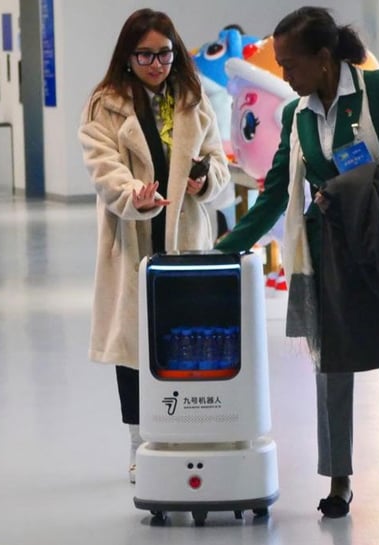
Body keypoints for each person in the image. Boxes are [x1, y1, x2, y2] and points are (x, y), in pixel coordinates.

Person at [215, 7, 379, 517]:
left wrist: (360, 191)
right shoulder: (297, 116)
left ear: (323, 58)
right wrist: (226, 247)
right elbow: (273, 195)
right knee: (331, 367)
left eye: (290, 65)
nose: (285, 76)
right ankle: (338, 480)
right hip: (328, 254)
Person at [78, 8, 230, 484]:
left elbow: (219, 166)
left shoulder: (193, 98)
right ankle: (138, 442)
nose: (156, 63)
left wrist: (205, 182)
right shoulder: (104, 105)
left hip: (185, 236)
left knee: (183, 339)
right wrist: (134, 195)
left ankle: (184, 431)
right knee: (133, 345)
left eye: (164, 53)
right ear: (127, 57)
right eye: (144, 54)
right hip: (133, 236)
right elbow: (104, 168)